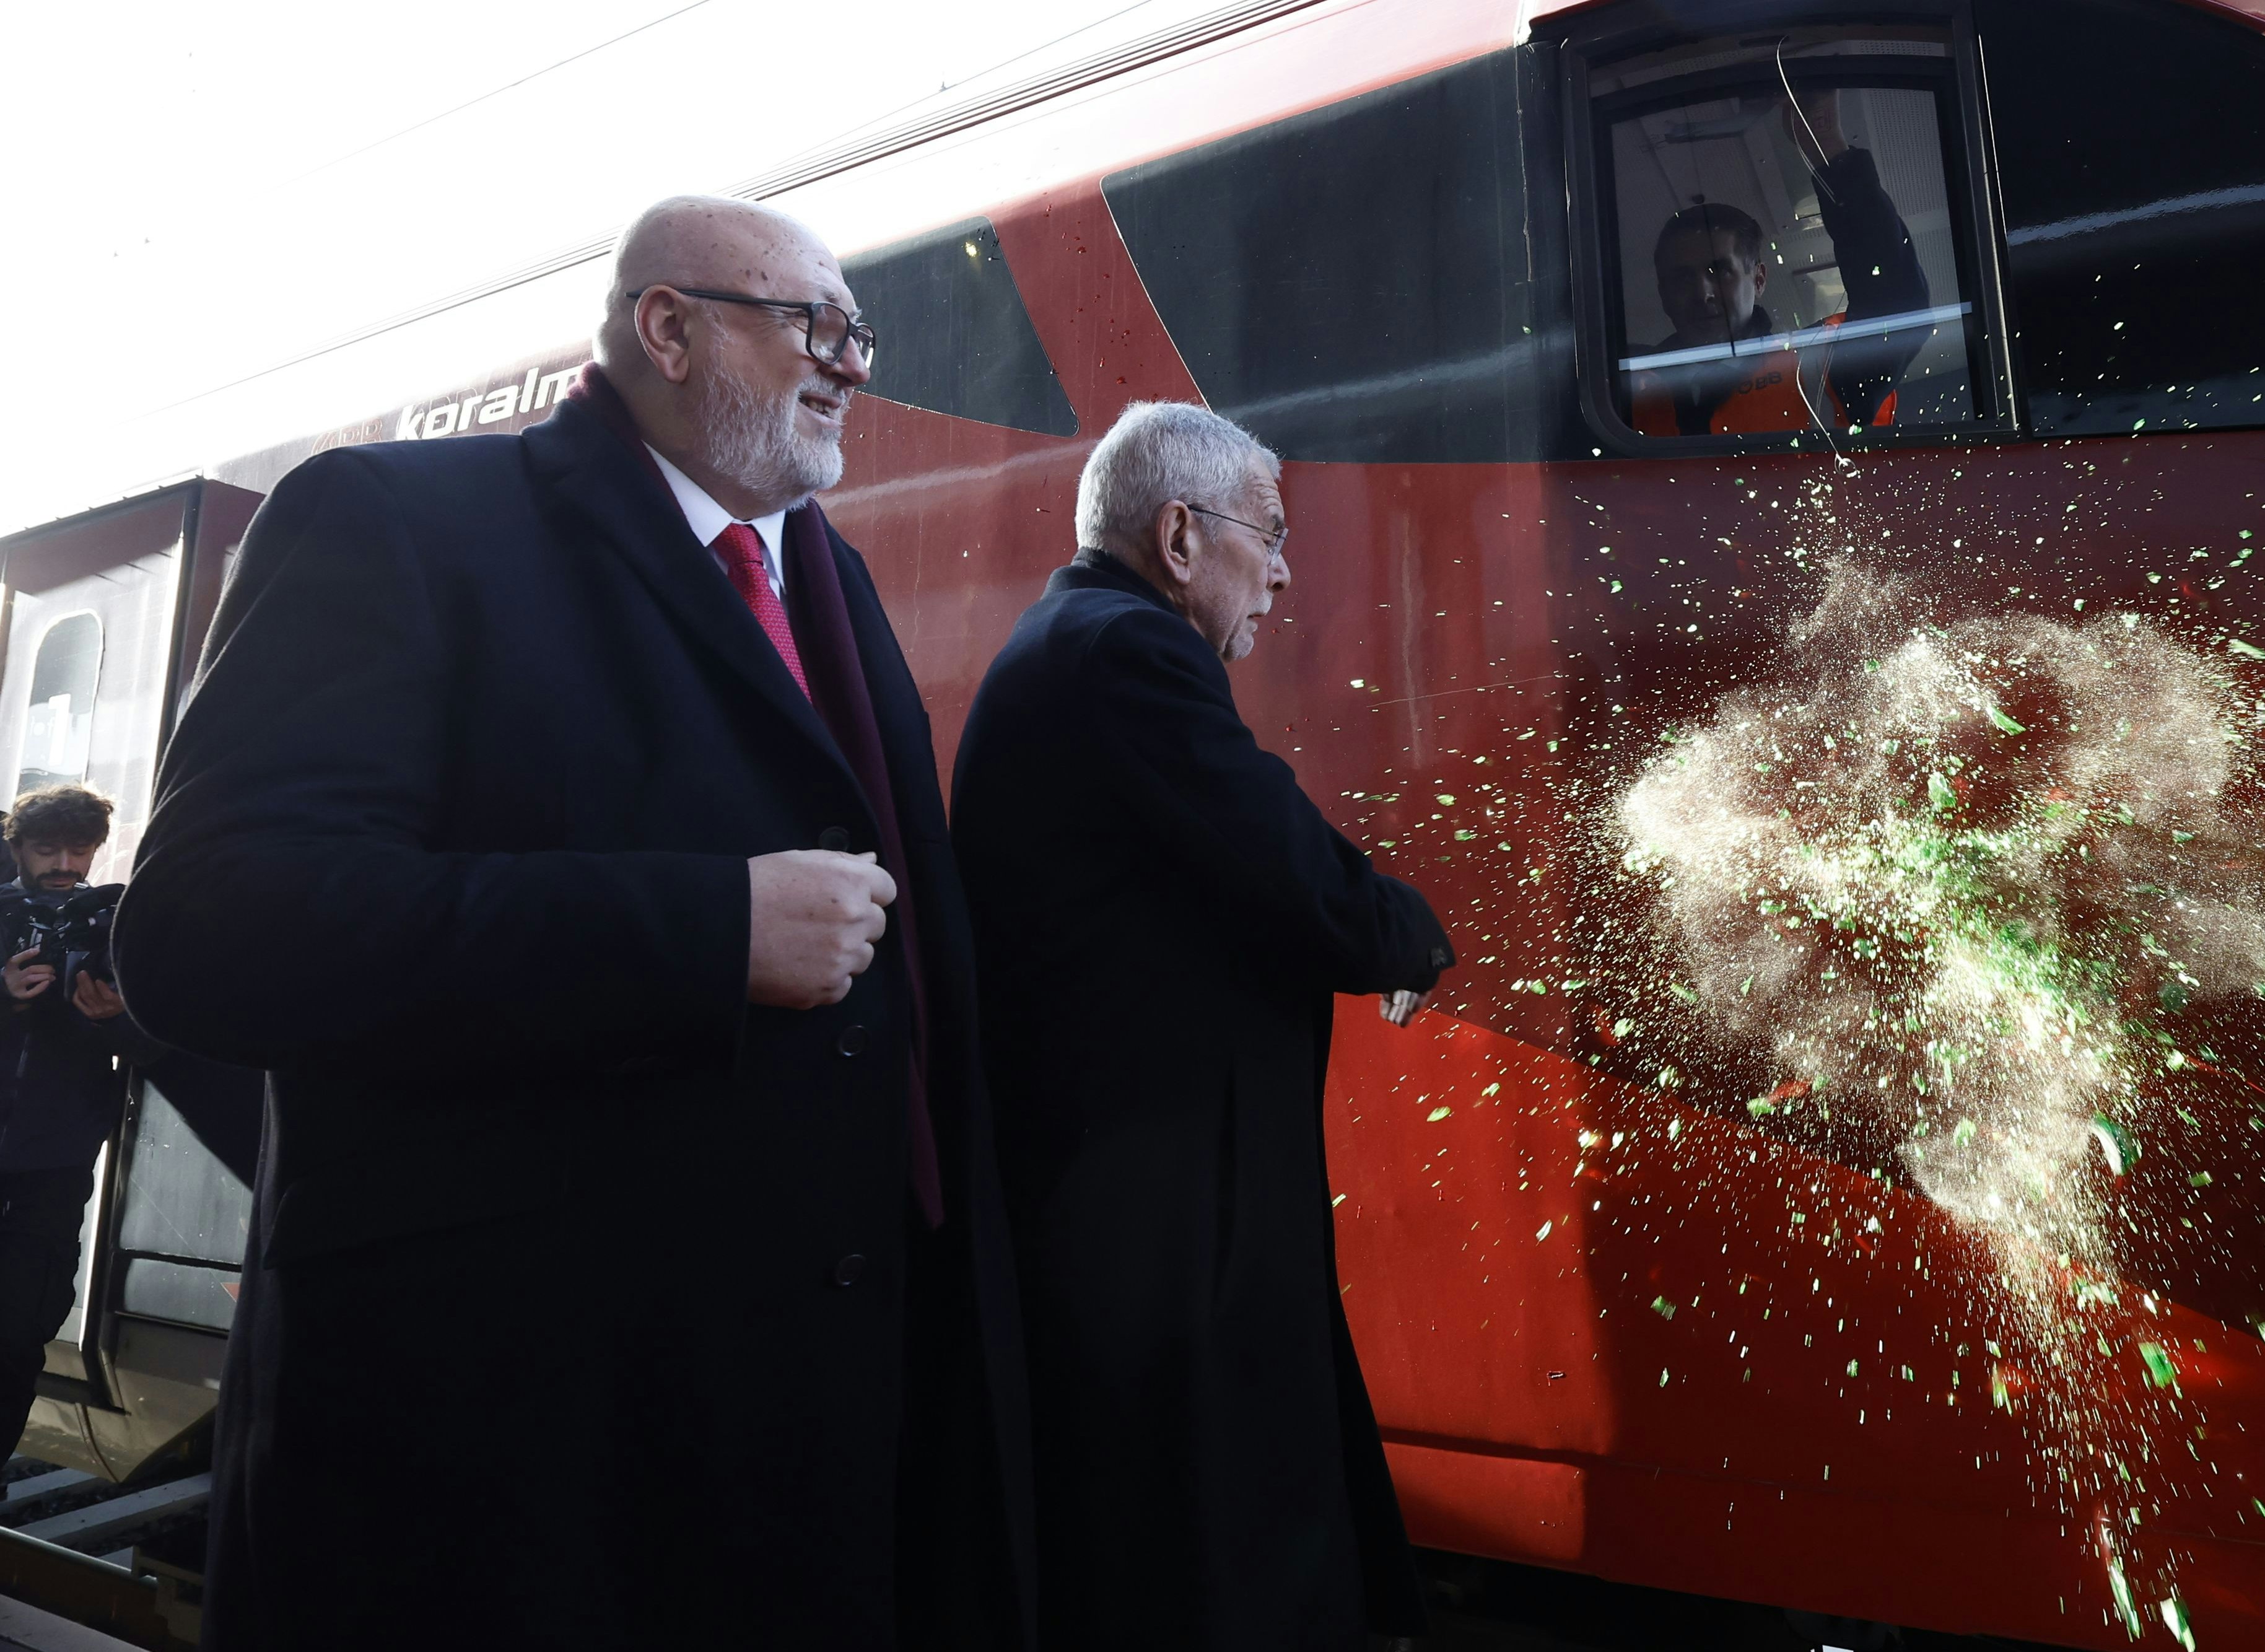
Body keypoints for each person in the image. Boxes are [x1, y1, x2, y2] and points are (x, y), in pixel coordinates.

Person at [115, 196, 1032, 1651]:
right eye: (812, 323)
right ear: (666, 327)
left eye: (859, 333)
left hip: (798, 1435)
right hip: (508, 1465)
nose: (852, 365)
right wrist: (701, 929)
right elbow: (210, 927)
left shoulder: (826, 579)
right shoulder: (395, 519)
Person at [951, 401, 1455, 1651]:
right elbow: (1277, 852)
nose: (1285, 571)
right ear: (1180, 534)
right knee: (1197, 1564)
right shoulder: (1121, 651)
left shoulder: (1077, 639)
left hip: (1141, 1210)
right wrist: (1405, 933)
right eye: (1268, 536)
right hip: (1149, 1232)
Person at [0, 784, 159, 1454]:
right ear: (16, 848)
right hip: (52, 1148)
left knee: (21, 1327)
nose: (66, 862)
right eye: (48, 848)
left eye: (80, 848)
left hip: (57, 1160)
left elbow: (169, 1040)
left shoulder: (119, 923)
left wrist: (118, 1022)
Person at [1630, 90, 1931, 438]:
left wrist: (1826, 147)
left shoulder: (1820, 367)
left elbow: (1898, 303)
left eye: (1719, 270)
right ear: (1663, 294)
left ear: (1758, 280)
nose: (1703, 293)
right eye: (1681, 278)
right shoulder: (1620, 390)